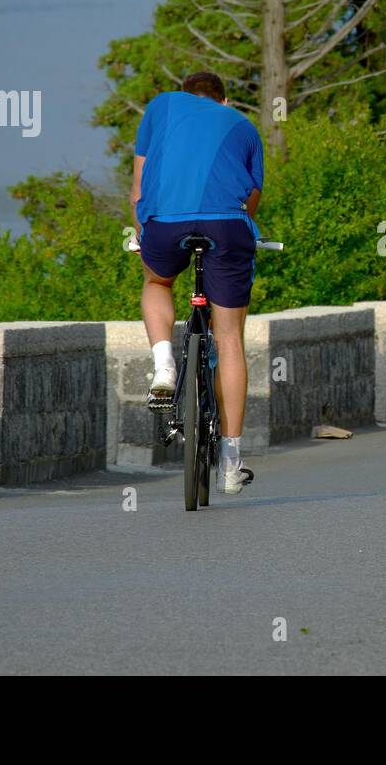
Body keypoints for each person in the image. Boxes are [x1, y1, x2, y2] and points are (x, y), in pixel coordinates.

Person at [131, 71, 264, 494]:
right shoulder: (243, 125)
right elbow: (252, 200)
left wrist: (143, 235)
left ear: (185, 95)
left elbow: (138, 190)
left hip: (166, 223)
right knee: (229, 339)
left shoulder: (162, 106)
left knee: (157, 282)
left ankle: (164, 365)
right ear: (223, 101)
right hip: (226, 224)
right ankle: (230, 462)